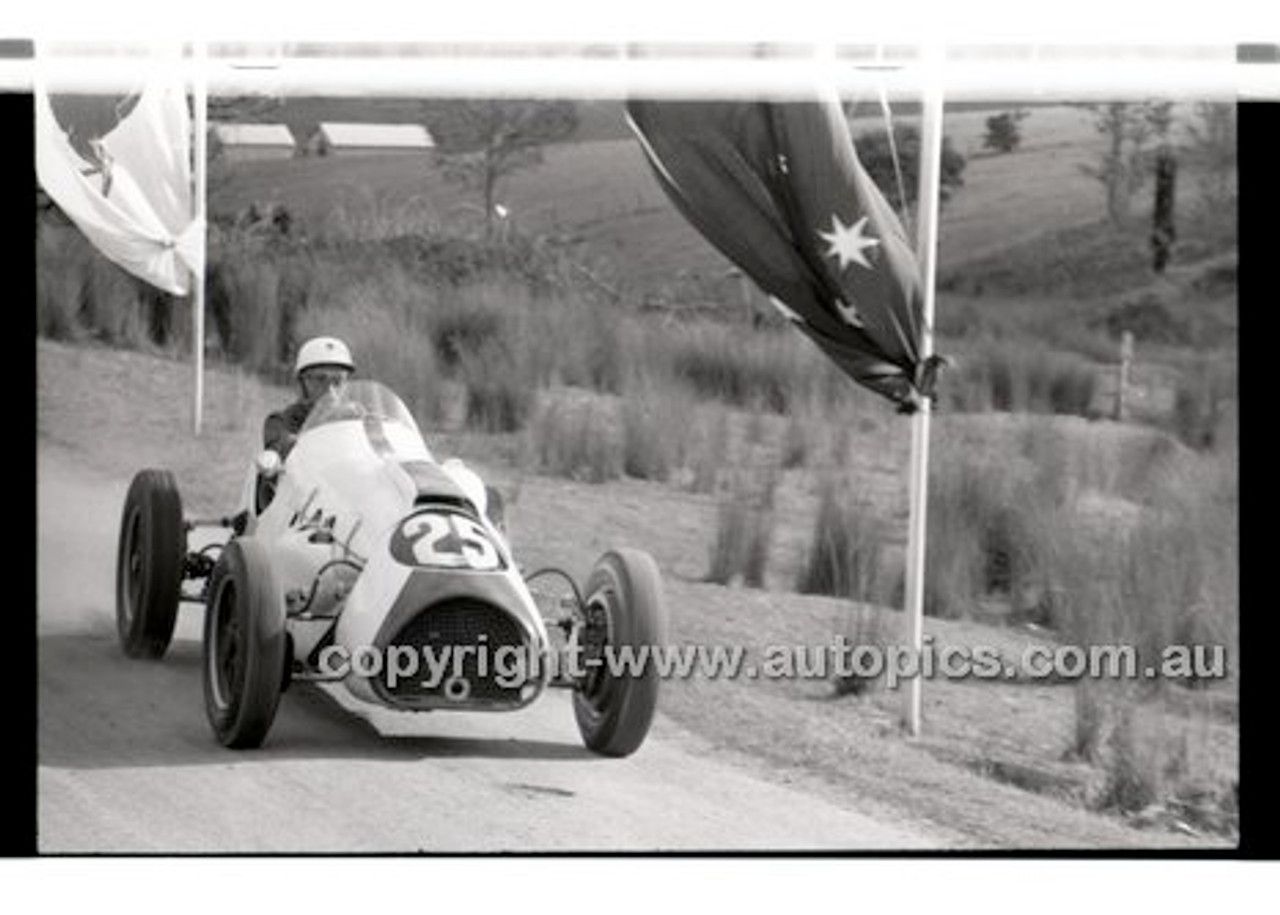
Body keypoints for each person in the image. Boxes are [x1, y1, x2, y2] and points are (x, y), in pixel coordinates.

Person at [263, 336, 356, 462]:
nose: (330, 389)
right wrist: (322, 419)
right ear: (303, 382)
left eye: (338, 381)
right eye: (320, 379)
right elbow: (278, 451)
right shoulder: (280, 421)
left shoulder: (357, 417)